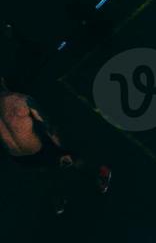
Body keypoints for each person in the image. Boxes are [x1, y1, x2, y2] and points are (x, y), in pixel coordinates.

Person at [1, 82, 111, 213]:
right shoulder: (22, 100)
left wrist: (62, 150)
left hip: (28, 153)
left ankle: (96, 174)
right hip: (28, 154)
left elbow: (47, 126)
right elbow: (48, 127)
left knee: (56, 167)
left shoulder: (20, 100)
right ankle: (91, 179)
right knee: (57, 167)